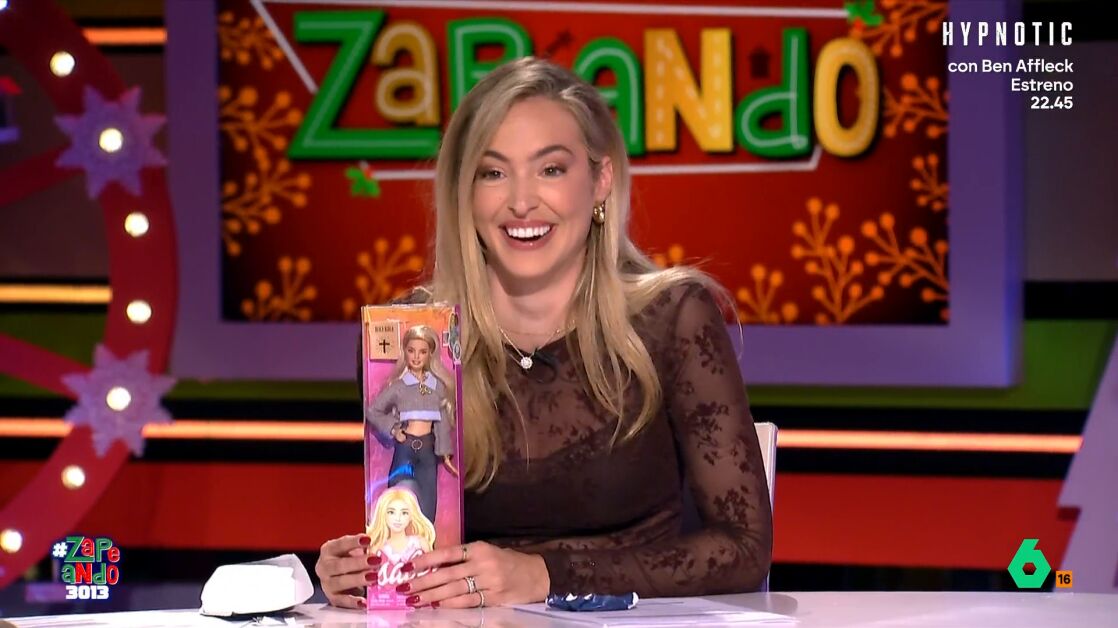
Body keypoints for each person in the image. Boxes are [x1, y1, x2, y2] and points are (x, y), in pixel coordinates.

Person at [315, 56, 772, 611]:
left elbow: (743, 549)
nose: (521, 201)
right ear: (464, 192)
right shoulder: (414, 337)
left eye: (550, 169)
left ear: (600, 180)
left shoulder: (673, 318)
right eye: (493, 173)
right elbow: (416, 522)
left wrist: (545, 576)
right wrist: (369, 568)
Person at [366, 324, 458, 522]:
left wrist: (445, 453)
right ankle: (396, 535)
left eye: (422, 352)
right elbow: (372, 410)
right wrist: (394, 429)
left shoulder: (437, 387)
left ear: (430, 354)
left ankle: (426, 538)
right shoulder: (399, 387)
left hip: (428, 449)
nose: (416, 357)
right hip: (405, 447)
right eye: (411, 351)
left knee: (428, 501)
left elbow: (441, 422)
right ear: (405, 352)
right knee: (398, 496)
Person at [366, 487, 437, 589]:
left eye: (404, 513)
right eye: (391, 512)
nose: (398, 518)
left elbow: (433, 572)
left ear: (411, 516)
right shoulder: (378, 548)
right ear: (383, 514)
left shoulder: (420, 543)